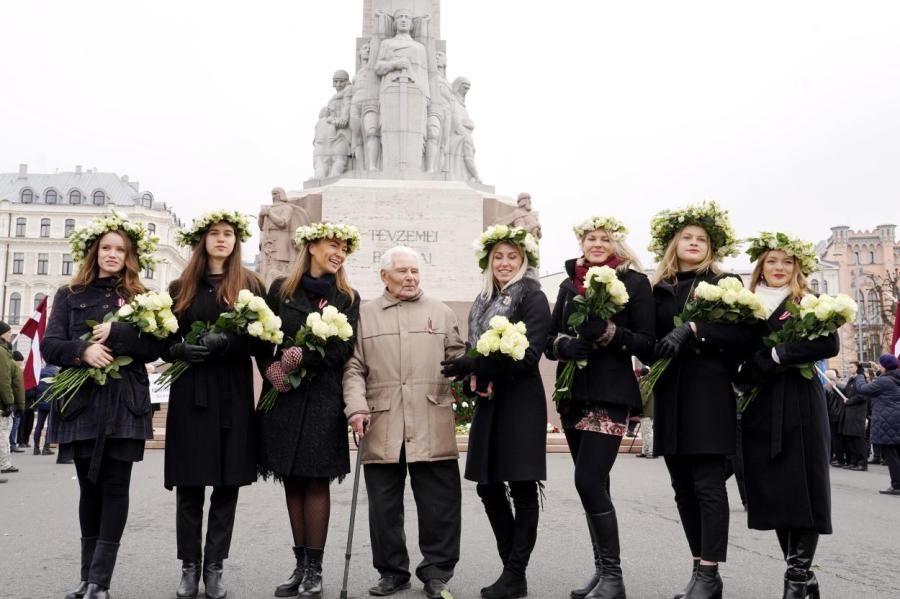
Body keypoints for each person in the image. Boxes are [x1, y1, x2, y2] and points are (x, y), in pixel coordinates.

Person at [42, 213, 165, 599]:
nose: (112, 255)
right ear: (94, 252)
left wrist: (120, 333)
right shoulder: (69, 295)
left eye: (120, 249)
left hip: (125, 402)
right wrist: (82, 351)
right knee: (89, 488)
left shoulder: (143, 298)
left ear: (129, 256)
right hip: (81, 404)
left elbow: (156, 346)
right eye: (106, 248)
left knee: (115, 485)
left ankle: (99, 581)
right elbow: (50, 344)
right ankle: (86, 577)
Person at [343, 245, 465, 599]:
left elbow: (457, 358)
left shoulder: (440, 312)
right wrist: (355, 407)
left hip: (431, 416)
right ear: (384, 276)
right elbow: (353, 368)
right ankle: (392, 572)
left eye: (414, 271)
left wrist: (473, 371)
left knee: (439, 505)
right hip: (381, 421)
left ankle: (437, 572)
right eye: (402, 272)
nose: (410, 278)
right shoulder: (364, 315)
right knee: (384, 507)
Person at [543, 216, 654, 599]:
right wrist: (564, 346)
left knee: (587, 480)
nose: (596, 243)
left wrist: (607, 333)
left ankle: (614, 576)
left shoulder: (634, 282)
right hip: (573, 394)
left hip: (610, 393)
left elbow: (647, 342)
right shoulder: (567, 283)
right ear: (582, 242)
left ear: (616, 245)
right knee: (596, 484)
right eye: (591, 237)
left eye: (605, 238)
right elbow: (548, 339)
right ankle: (602, 571)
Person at [441, 225, 550, 599]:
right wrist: (472, 372)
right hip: (490, 400)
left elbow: (529, 356)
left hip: (520, 402)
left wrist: (473, 365)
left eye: (512, 257)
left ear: (523, 261)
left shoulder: (532, 297)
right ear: (489, 261)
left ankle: (514, 572)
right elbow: (477, 347)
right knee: (488, 486)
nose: (504, 263)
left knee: (521, 487)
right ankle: (512, 570)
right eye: (498, 257)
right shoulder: (483, 299)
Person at [163, 210, 267, 599]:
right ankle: (189, 566)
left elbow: (262, 341)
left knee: (226, 485)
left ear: (237, 241)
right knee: (189, 485)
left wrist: (230, 343)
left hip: (231, 394)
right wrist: (177, 348)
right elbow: (161, 337)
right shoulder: (180, 288)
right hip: (191, 392)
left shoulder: (250, 285)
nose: (221, 239)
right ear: (202, 240)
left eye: (228, 234)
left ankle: (214, 566)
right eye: (214, 233)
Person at [648, 202, 749, 599]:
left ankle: (710, 574)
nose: (694, 243)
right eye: (687, 237)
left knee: (708, 485)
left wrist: (694, 329)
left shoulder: (727, 284)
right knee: (683, 488)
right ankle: (699, 569)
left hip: (708, 395)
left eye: (701, 239)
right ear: (675, 243)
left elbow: (744, 337)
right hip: (671, 394)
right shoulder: (659, 289)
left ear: (711, 247)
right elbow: (648, 339)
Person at [258, 222, 361, 599]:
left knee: (315, 481)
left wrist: (307, 356)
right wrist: (269, 369)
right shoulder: (281, 290)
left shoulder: (347, 298)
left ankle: (315, 571)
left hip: (322, 400)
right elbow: (262, 336)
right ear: (311, 246)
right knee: (291, 479)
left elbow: (343, 350)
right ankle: (299, 565)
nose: (339, 253)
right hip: (283, 396)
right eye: (333, 245)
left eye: (344, 248)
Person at [739, 233, 837, 599]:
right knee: (776, 490)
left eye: (787, 262)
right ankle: (803, 577)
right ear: (760, 266)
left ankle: (796, 578)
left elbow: (829, 343)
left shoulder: (808, 301)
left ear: (797, 268)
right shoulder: (745, 305)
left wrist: (779, 355)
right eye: (771, 261)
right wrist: (747, 373)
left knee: (804, 488)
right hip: (761, 403)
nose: (779, 268)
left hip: (801, 401)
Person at [855, 354, 900, 496]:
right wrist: (879, 371)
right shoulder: (894, 378)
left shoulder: (884, 382)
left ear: (885, 366)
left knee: (891, 455)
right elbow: (887, 381)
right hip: (896, 420)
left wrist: (860, 375)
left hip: (888, 422)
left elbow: (862, 389)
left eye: (880, 364)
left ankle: (897, 485)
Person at [0, 321, 25, 477]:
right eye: (8, 332)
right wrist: (10, 402)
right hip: (2, 403)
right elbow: (4, 380)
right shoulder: (2, 352)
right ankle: (4, 464)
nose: (10, 335)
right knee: (2, 435)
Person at [839, 363, 869, 471]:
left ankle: (862, 463)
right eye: (848, 367)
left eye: (851, 367)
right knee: (849, 438)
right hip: (849, 414)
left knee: (858, 439)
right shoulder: (851, 380)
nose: (849, 369)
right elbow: (846, 392)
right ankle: (853, 462)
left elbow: (862, 396)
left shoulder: (861, 380)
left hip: (857, 414)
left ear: (857, 368)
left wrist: (849, 401)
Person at [30, 364, 59, 455]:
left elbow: (34, 388)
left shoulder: (39, 372)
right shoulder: (57, 372)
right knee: (50, 425)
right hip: (52, 402)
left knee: (39, 424)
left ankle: (36, 448)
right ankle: (46, 448)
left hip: (40, 402)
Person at [824, 369, 847, 466]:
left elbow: (825, 403)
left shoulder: (826, 387)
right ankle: (840, 457)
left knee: (835, 438)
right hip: (841, 414)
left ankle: (839, 459)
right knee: (840, 438)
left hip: (832, 416)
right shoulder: (842, 386)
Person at [8, 350, 26, 453]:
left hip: (11, 401)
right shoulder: (15, 369)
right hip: (14, 402)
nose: (22, 364)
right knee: (14, 424)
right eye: (21, 361)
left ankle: (11, 444)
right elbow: (18, 388)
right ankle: (12, 444)